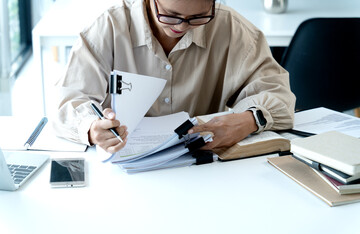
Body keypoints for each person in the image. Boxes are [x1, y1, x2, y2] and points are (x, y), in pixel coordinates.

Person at [54, 0, 295, 154]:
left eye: (198, 17)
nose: (181, 27)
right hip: (125, 174)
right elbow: (67, 104)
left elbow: (278, 94)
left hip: (205, 173)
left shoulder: (232, 28)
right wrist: (91, 128)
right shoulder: (109, 26)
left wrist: (248, 120)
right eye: (170, 15)